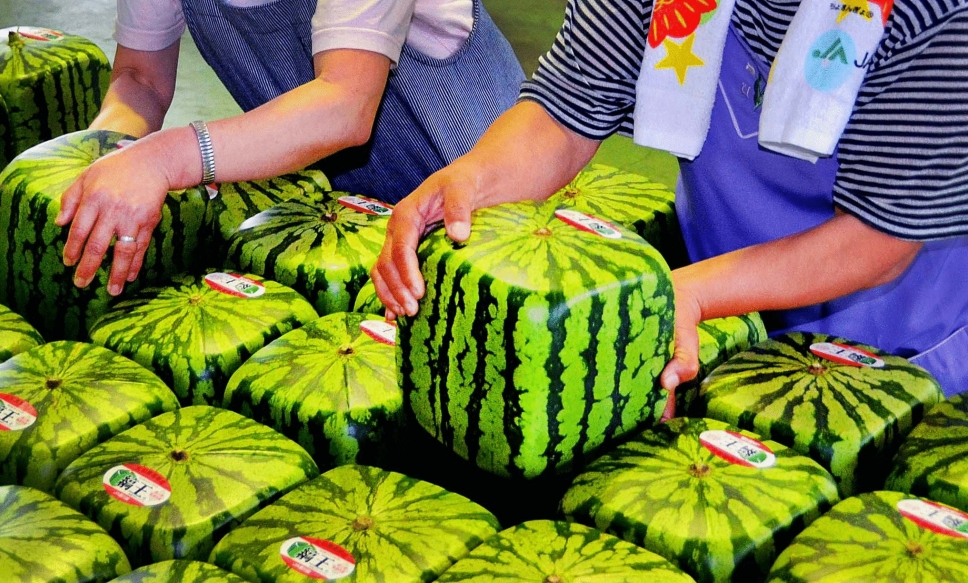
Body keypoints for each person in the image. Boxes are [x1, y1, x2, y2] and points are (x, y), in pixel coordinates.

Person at [372, 0, 968, 411]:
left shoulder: (938, 15)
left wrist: (693, 293)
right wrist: (469, 180)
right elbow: (565, 109)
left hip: (900, 349)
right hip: (731, 310)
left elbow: (878, 239)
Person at [55, 0, 524, 297]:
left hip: (486, 212)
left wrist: (163, 157)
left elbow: (345, 103)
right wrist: (102, 157)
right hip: (342, 223)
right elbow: (141, 80)